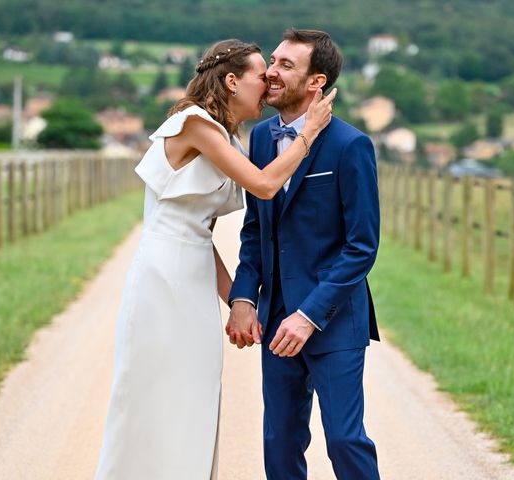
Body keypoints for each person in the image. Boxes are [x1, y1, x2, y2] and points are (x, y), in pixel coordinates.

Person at [94, 39, 336, 480]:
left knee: (195, 397)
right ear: (231, 81)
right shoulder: (194, 124)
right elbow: (264, 186)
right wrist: (310, 132)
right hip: (162, 279)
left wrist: (241, 303)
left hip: (194, 278)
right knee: (151, 398)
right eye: (261, 75)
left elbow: (201, 236)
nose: (269, 84)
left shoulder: (224, 136)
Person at [226, 29, 381, 479]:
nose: (271, 72)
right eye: (272, 61)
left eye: (285, 65)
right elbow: (256, 231)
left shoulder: (351, 146)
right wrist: (243, 297)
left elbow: (362, 247)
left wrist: (309, 315)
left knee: (345, 441)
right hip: (275, 319)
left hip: (332, 320)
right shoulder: (259, 139)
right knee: (280, 444)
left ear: (316, 82)